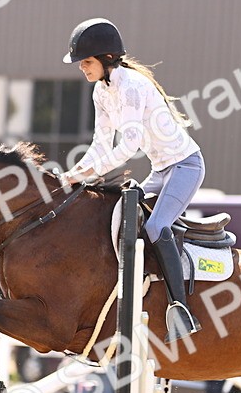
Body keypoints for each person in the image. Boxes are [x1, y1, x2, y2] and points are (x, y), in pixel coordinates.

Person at [60, 17, 204, 343]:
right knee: (119, 218)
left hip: (185, 167)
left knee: (155, 228)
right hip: (162, 170)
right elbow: (100, 144)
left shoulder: (133, 87)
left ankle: (182, 310)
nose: (82, 68)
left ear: (106, 59)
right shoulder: (102, 91)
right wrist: (74, 176)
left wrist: (82, 174)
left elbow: (128, 146)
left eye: (86, 62)